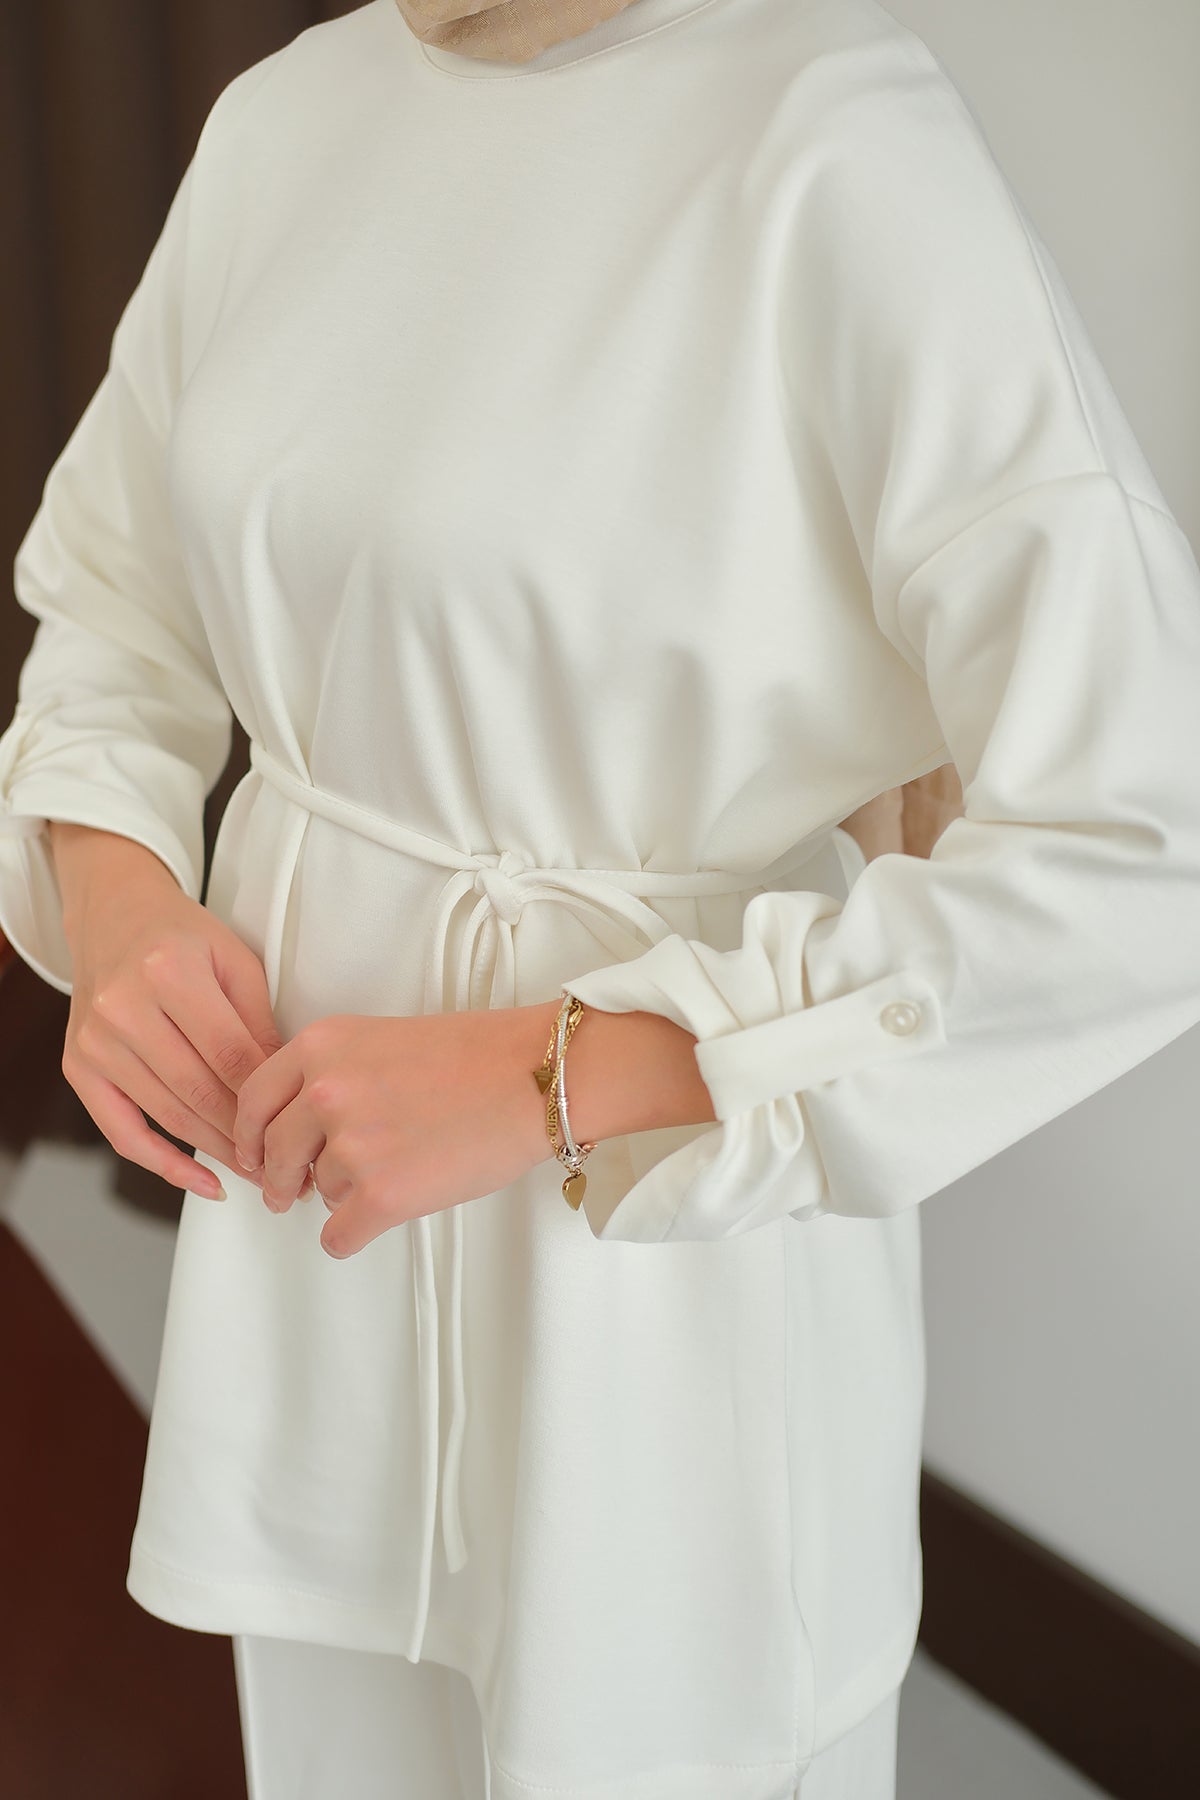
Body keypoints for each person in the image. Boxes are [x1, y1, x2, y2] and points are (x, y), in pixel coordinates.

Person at [2, 0, 1199, 1795]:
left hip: (654, 1267)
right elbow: (115, 601)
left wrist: (556, 1072)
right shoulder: (286, 117)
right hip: (309, 1224)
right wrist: (114, 901)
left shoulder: (836, 139)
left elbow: (1147, 838)